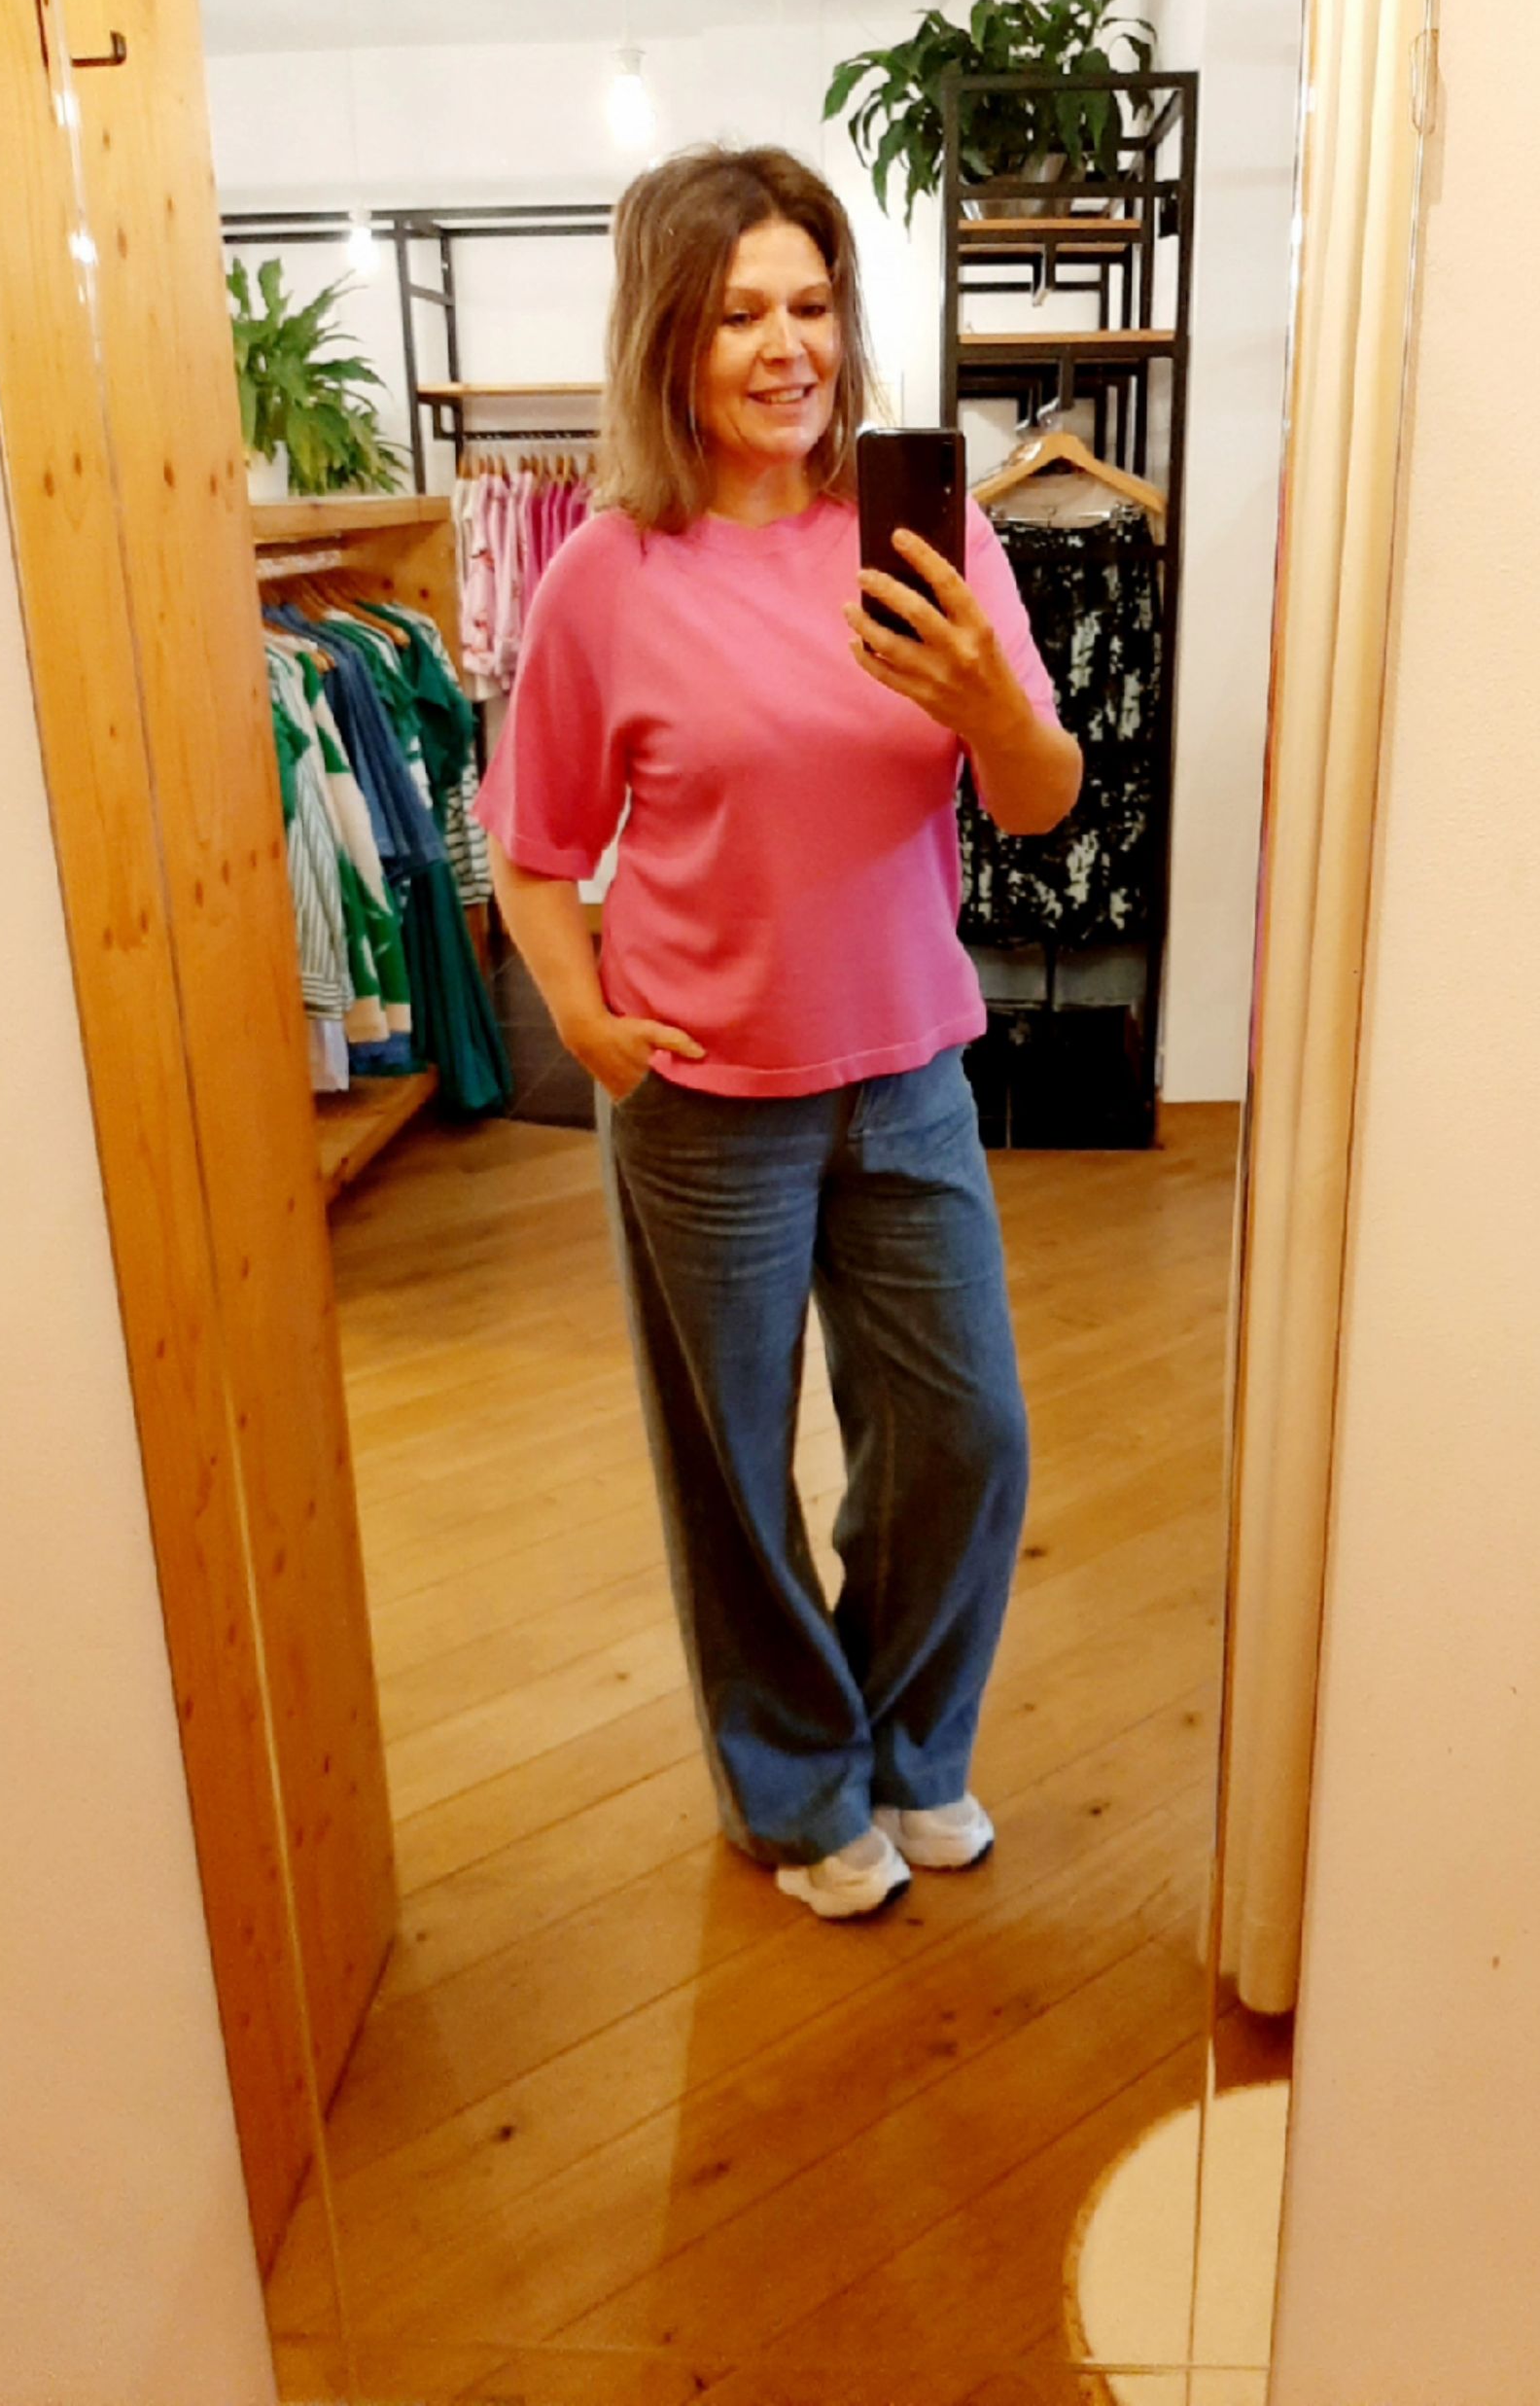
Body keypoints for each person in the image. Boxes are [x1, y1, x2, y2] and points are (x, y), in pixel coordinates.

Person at [474, 145, 1082, 1920]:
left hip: (908, 1072)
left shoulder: (933, 540)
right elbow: (532, 846)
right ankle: (799, 1789)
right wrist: (581, 1016)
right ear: (672, 335)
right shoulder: (606, 576)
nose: (785, 345)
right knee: (733, 1470)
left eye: (811, 304)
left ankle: (909, 1744)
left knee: (968, 1438)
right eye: (740, 312)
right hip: (701, 1098)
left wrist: (984, 698)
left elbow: (1039, 798)